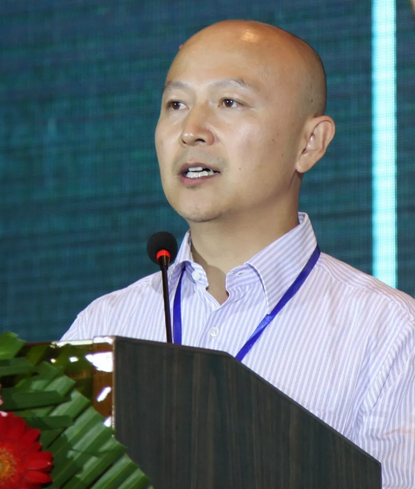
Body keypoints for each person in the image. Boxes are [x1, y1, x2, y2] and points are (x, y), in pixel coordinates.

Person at [62, 20, 415, 488]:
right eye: (176, 104)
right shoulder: (102, 327)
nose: (191, 131)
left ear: (309, 143)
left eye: (229, 102)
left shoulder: (390, 334)